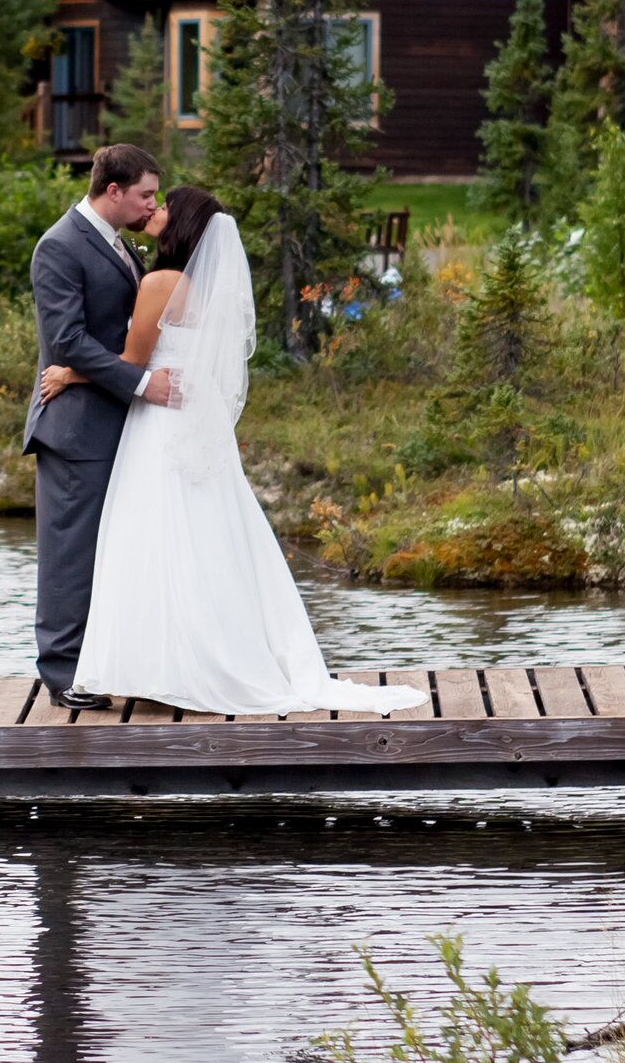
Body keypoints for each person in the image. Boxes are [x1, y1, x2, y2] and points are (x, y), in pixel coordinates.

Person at [40, 186, 421, 717]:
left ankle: (170, 667)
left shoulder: (160, 281)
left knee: (156, 538)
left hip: (161, 424)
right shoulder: (202, 287)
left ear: (183, 226)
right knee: (208, 537)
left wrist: (69, 372)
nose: (154, 210)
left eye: (164, 204)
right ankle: (203, 657)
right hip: (195, 418)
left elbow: (132, 358)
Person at [22, 144, 175, 706]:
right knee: (71, 554)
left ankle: (105, 664)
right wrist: (139, 382)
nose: (150, 204)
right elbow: (66, 341)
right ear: (113, 191)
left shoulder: (116, 242)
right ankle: (64, 677)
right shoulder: (59, 246)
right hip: (74, 430)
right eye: (144, 194)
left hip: (111, 420)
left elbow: (119, 332)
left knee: (112, 551)